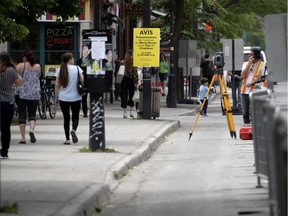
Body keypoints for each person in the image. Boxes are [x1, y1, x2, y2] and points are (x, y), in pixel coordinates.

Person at [55, 52, 84, 145]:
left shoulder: (60, 70)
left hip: (63, 98)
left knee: (66, 118)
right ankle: (74, 129)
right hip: (76, 97)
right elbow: (82, 80)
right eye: (72, 58)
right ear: (70, 60)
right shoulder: (77, 68)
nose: (73, 59)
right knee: (75, 116)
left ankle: (67, 139)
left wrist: (56, 97)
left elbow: (57, 85)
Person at [0, 52, 23, 159]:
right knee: (5, 128)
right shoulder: (11, 70)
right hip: (8, 101)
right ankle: (4, 152)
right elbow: (20, 82)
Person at [16, 49, 41, 144]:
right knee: (32, 115)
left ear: (24, 57)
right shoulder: (37, 66)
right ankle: (32, 130)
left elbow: (17, 78)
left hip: (22, 94)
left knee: (22, 115)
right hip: (34, 95)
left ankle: (23, 137)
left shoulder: (20, 66)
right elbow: (38, 77)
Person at [240, 48, 266, 124]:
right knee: (245, 113)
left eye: (251, 54)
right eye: (249, 54)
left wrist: (253, 82)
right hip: (244, 91)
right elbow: (242, 76)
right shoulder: (245, 64)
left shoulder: (262, 64)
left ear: (256, 55)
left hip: (255, 92)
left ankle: (255, 129)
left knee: (253, 113)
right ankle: (247, 127)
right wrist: (249, 64)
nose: (249, 56)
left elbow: (263, 78)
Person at [121, 49, 138, 118]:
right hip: (131, 80)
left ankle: (125, 112)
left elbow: (120, 71)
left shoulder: (123, 62)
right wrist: (136, 80)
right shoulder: (134, 62)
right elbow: (135, 72)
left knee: (124, 95)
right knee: (131, 95)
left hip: (124, 80)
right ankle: (131, 112)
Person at [77, 44, 93, 118]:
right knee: (84, 97)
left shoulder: (91, 61)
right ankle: (85, 112)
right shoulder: (79, 61)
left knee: (92, 97)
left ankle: (93, 111)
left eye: (86, 49)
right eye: (83, 49)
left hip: (90, 80)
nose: (84, 50)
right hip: (83, 81)